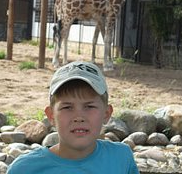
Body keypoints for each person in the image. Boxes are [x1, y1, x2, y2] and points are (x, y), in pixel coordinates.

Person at [7, 61, 139, 173]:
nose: (79, 117)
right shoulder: (24, 169)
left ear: (106, 113)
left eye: (89, 106)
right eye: (67, 107)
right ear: (51, 115)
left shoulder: (121, 158)